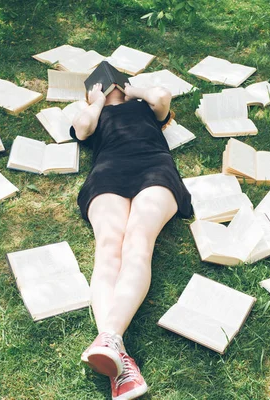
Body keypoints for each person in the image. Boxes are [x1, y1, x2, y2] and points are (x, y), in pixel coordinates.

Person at [70, 76, 192, 400]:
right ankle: (116, 354)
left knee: (138, 241)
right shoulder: (94, 114)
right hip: (107, 172)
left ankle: (110, 340)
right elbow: (81, 129)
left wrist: (133, 90)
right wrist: (95, 103)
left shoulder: (145, 107)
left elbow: (162, 97)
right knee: (109, 247)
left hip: (154, 168)